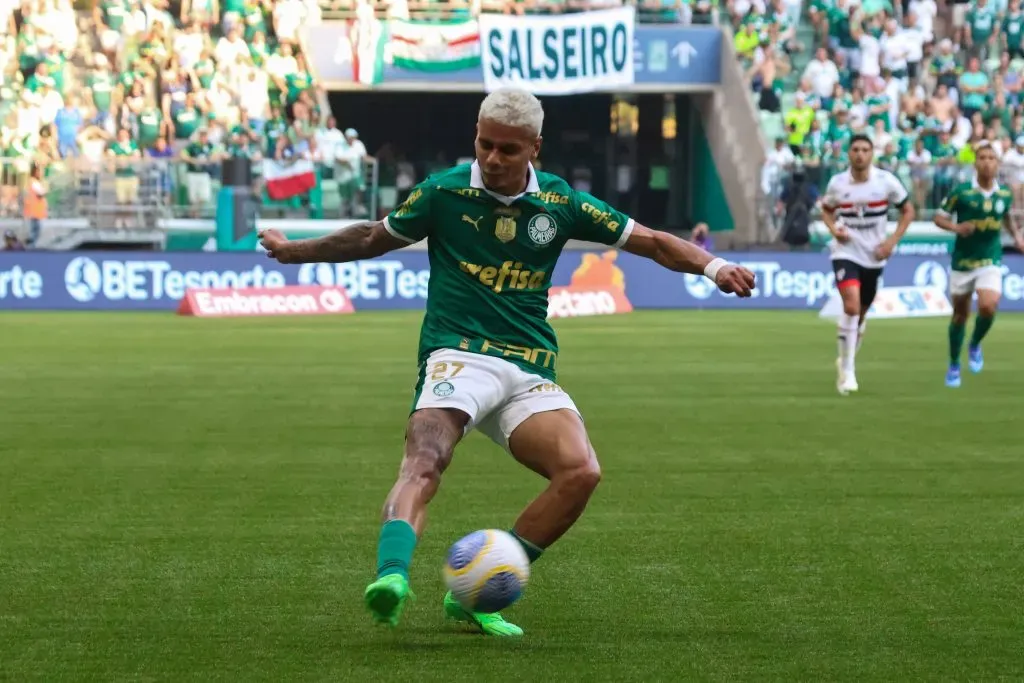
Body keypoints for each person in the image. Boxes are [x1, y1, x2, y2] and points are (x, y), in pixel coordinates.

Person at [258, 88, 756, 637]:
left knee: (581, 472)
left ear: (534, 149)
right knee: (426, 454)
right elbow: (374, 237)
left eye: (507, 150)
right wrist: (292, 250)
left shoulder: (562, 204)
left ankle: (481, 590)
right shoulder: (442, 192)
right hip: (457, 354)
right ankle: (392, 576)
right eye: (484, 144)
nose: (492, 158)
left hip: (528, 367)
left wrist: (714, 267)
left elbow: (653, 242)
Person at [819, 134, 916, 396]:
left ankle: (845, 358)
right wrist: (833, 230)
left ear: (872, 154)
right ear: (849, 154)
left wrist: (891, 241)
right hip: (845, 251)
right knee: (850, 306)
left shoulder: (885, 181)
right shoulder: (838, 183)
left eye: (865, 150)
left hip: (874, 256)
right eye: (856, 149)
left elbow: (908, 210)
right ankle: (848, 370)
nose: (860, 154)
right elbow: (826, 209)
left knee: (860, 314)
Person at [933, 142, 1024, 388]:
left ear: (997, 163)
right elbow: (938, 217)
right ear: (975, 163)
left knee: (988, 305)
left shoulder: (1004, 193)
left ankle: (974, 344)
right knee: (960, 315)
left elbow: (1005, 217)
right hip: (962, 262)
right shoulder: (961, 192)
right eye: (982, 157)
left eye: (991, 158)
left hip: (990, 259)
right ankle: (953, 363)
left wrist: (1016, 237)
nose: (986, 162)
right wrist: (956, 228)